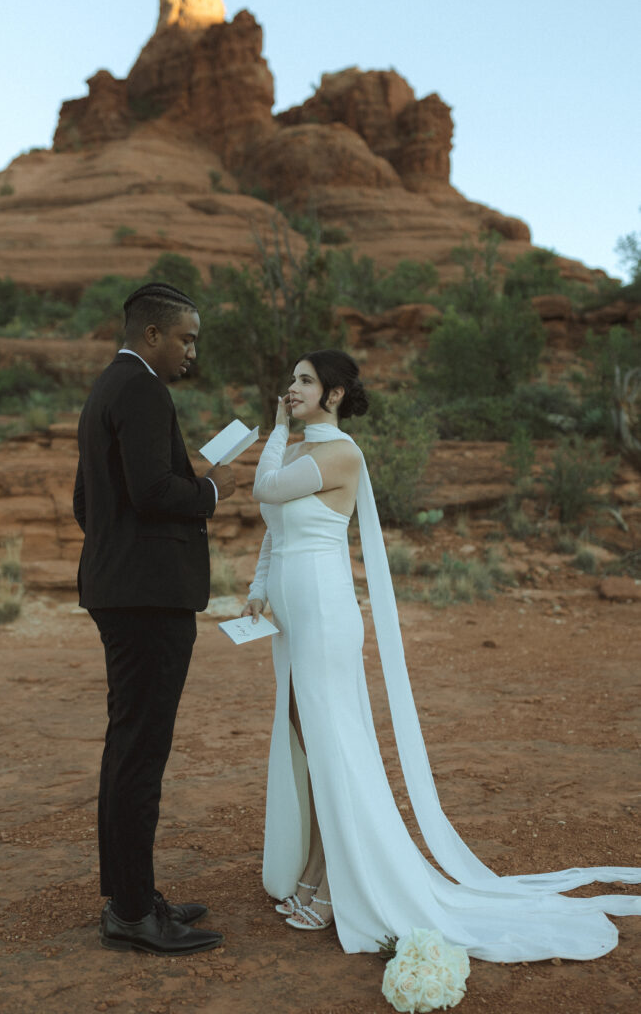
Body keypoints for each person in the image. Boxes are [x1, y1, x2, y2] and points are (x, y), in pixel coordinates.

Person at [242, 348, 640, 959]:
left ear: (336, 394)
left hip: (324, 615)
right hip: (292, 620)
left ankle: (330, 885)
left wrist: (273, 428)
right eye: (291, 381)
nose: (291, 388)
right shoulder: (300, 454)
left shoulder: (340, 453)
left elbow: (262, 488)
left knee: (331, 750)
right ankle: (318, 870)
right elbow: (274, 527)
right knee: (303, 742)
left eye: (304, 381)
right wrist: (255, 591)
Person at [73, 281, 236, 956]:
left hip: (122, 591)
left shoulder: (107, 386)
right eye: (186, 338)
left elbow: (89, 503)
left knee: (129, 746)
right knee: (140, 752)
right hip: (147, 600)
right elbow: (151, 491)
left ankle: (133, 899)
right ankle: (134, 913)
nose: (191, 352)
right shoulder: (141, 389)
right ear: (152, 336)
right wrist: (209, 490)